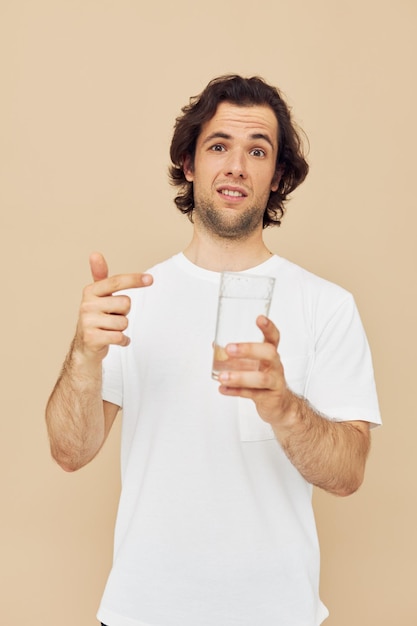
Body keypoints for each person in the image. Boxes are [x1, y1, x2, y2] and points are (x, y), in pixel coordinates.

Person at [45, 74, 381, 626]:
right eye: (218, 146)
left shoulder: (328, 305)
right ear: (189, 164)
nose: (236, 166)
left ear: (277, 178)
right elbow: (70, 452)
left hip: (279, 614)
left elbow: (348, 474)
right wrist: (83, 356)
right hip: (141, 612)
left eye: (258, 151)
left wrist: (284, 407)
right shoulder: (131, 301)